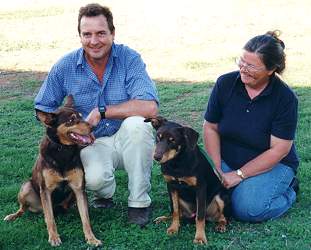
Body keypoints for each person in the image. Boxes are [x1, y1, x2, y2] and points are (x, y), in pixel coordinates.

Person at [35, 3, 159, 227]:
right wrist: (70, 134)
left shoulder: (129, 59)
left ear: (113, 33)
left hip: (127, 136)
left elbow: (150, 107)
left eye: (101, 33)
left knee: (139, 125)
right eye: (87, 34)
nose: (94, 41)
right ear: (80, 36)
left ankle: (139, 203)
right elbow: (42, 107)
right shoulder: (65, 66)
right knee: (94, 179)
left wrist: (103, 112)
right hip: (90, 142)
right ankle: (105, 193)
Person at [203, 31, 299, 222]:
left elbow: (279, 150)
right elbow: (210, 127)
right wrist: (216, 168)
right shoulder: (225, 83)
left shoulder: (285, 99)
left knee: (247, 209)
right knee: (201, 199)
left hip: (272, 163)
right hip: (227, 158)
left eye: (251, 66)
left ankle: (289, 190)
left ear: (271, 69)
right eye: (242, 61)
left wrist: (239, 175)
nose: (243, 69)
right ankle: (240, 186)